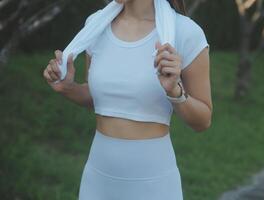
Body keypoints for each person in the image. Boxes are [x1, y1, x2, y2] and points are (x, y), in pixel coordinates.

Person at [43, 0, 212, 199]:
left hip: (153, 182)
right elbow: (103, 98)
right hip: (98, 179)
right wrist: (68, 89)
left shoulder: (185, 32)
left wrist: (175, 92)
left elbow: (203, 120)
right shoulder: (96, 24)